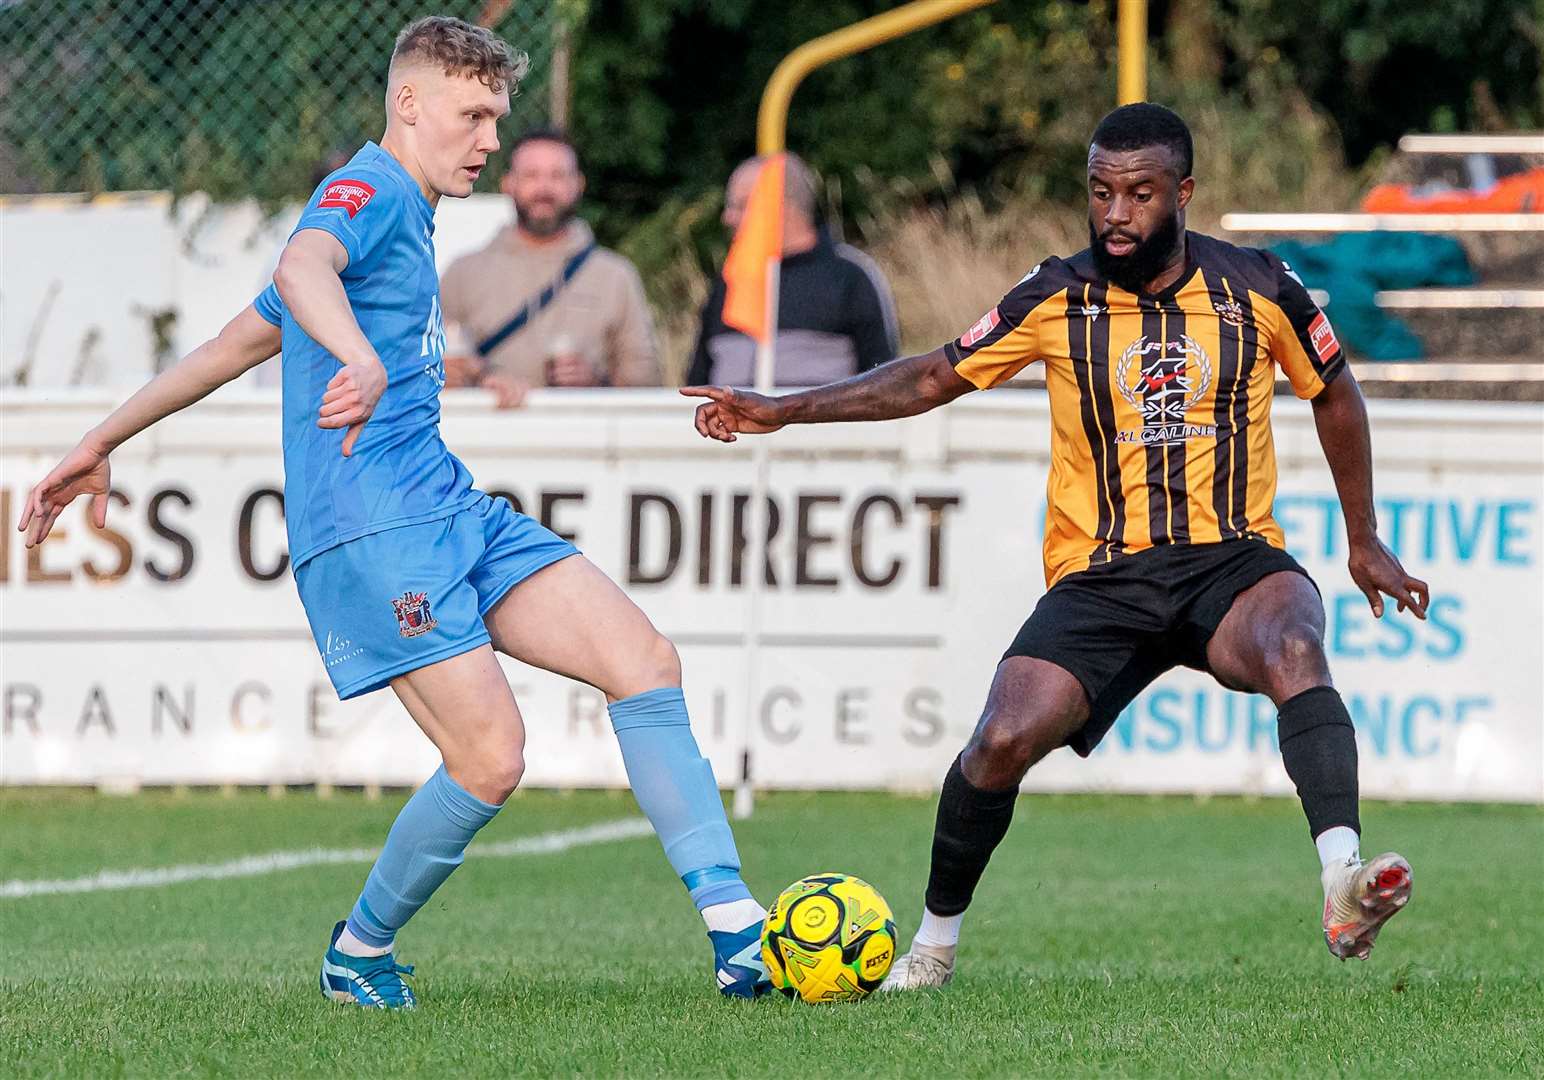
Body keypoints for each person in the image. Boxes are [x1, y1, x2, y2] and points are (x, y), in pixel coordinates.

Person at [18, 15, 767, 1009]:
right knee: (491, 759)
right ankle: (358, 952)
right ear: (410, 104)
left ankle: (739, 936)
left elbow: (236, 342)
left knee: (643, 661)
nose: (490, 142)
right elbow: (298, 271)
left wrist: (100, 440)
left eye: (497, 117)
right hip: (372, 528)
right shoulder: (363, 190)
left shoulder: (407, 214)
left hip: (450, 507)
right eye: (474, 115)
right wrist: (362, 358)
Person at [684, 103, 1426, 990]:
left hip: (1232, 561)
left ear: (1182, 194)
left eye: (1140, 195)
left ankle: (1342, 880)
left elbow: (1334, 391)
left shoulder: (1261, 287)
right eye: (1101, 192)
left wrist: (1364, 537)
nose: (1116, 214)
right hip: (1101, 578)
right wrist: (784, 409)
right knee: (998, 741)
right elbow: (929, 376)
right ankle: (933, 949)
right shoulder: (1057, 293)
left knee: (1297, 646)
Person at [439, 128, 660, 407]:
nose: (544, 189)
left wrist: (597, 383)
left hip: (584, 443)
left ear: (578, 184)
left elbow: (648, 385)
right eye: (531, 175)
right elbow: (423, 370)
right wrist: (470, 376)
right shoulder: (462, 273)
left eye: (557, 176)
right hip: (487, 446)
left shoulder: (616, 276)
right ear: (508, 183)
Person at [687, 153, 899, 387]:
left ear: (782, 205)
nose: (727, 218)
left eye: (742, 205)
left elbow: (884, 381)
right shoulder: (730, 280)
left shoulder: (852, 277)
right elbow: (698, 383)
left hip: (825, 424)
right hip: (735, 425)